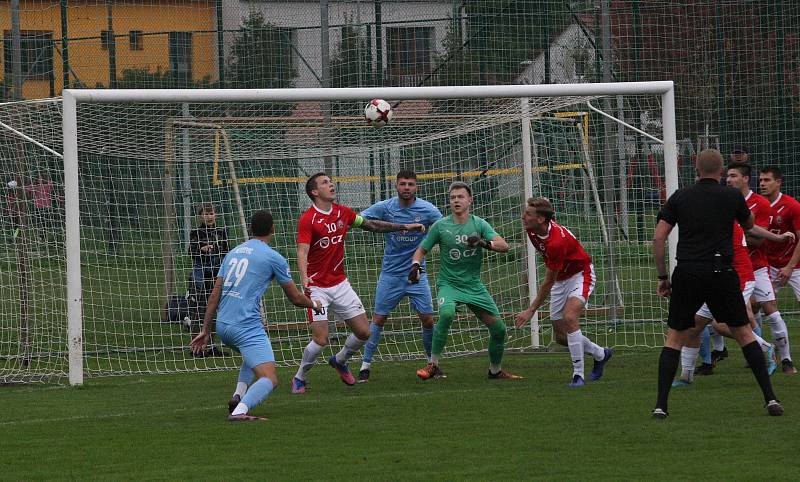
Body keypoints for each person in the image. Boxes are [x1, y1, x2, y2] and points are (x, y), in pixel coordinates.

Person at [651, 149, 782, 419]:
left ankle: (661, 405)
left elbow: (658, 238)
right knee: (744, 333)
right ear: (722, 171)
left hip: (688, 270)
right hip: (721, 270)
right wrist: (777, 238)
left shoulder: (681, 197)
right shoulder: (731, 196)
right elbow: (750, 226)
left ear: (696, 170)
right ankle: (770, 399)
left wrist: (663, 277)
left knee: (675, 337)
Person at [292, 172, 425, 393]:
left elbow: (372, 225)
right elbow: (302, 252)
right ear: (315, 192)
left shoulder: (343, 213)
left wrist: (403, 226)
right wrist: (305, 279)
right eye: (325, 183)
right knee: (321, 339)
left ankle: (340, 360)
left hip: (340, 284)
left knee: (365, 332)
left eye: (331, 181)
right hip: (317, 288)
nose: (331, 184)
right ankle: (300, 377)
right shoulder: (308, 219)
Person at [189, 210, 322, 421]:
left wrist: (206, 330)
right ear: (273, 229)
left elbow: (214, 294)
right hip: (245, 327)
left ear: (250, 229)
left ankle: (237, 396)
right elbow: (295, 298)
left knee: (252, 358)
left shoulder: (233, 252)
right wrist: (315, 305)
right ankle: (241, 411)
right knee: (270, 379)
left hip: (223, 326)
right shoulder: (273, 257)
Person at [410, 181, 522, 380]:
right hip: (449, 285)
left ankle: (495, 371)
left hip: (473, 286)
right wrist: (416, 266)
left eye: (460, 197)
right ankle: (433, 365)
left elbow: (504, 246)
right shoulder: (440, 226)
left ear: (470, 200)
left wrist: (483, 243)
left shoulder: (478, 224)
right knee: (446, 314)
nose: (456, 200)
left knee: (499, 330)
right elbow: (421, 250)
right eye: (453, 197)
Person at [671, 220, 791, 386]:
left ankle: (765, 347)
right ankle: (686, 376)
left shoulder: (717, 219)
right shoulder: (723, 215)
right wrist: (778, 238)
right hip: (721, 278)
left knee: (721, 324)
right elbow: (750, 227)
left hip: (737, 278)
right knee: (694, 324)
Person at [513, 197, 612, 387]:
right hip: (560, 279)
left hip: (580, 274)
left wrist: (531, 310)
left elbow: (548, 280)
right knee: (560, 337)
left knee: (570, 317)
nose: (523, 216)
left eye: (528, 213)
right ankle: (600, 354)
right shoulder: (531, 229)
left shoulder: (556, 242)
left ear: (541, 219)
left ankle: (578, 376)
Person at [357, 170, 443, 382]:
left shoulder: (427, 209)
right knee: (378, 318)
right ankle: (365, 366)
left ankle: (432, 364)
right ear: (396, 186)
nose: (407, 187)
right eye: (403, 184)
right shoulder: (385, 207)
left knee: (428, 319)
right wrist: (386, 227)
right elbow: (361, 220)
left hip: (417, 274)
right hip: (391, 274)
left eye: (411, 184)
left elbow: (443, 227)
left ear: (416, 187)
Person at [759, 166, 798, 374]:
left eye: (767, 180)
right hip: (766, 266)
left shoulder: (791, 206)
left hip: (795, 266)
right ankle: (782, 358)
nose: (763, 183)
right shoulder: (757, 204)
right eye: (761, 180)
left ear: (778, 182)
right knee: (756, 307)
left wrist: (790, 266)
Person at [187, 204, 230, 330]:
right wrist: (202, 249)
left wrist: (216, 250)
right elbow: (191, 252)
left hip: (217, 271)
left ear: (215, 215)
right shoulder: (196, 233)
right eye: (206, 214)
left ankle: (212, 346)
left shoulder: (221, 232)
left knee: (216, 305)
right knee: (199, 304)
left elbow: (227, 251)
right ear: (200, 217)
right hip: (200, 271)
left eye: (211, 214)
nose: (209, 217)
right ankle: (197, 346)